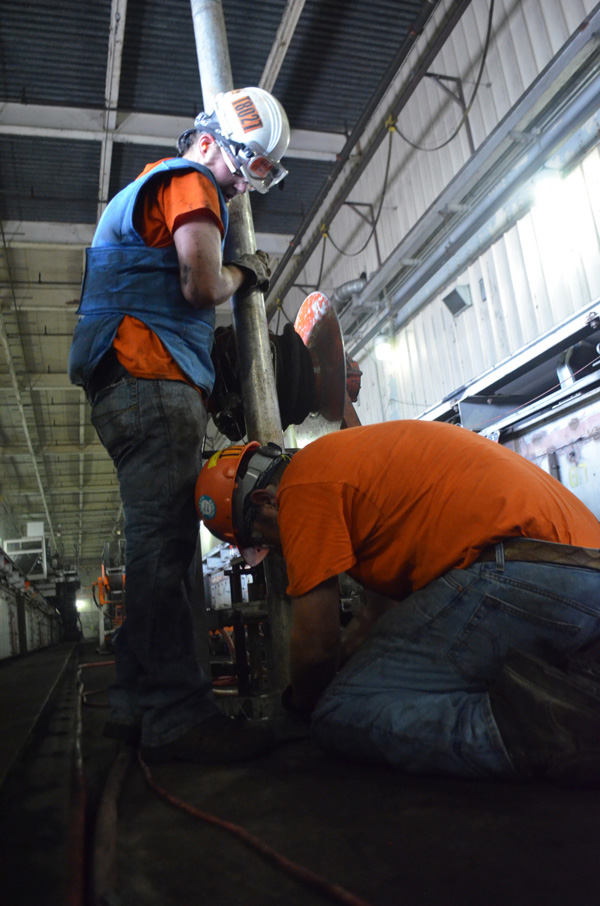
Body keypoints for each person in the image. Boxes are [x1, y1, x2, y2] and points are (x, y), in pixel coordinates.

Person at [68, 87, 290, 763]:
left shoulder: (148, 188)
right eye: (247, 170)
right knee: (168, 558)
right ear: (215, 145)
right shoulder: (192, 183)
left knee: (157, 553)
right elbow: (198, 284)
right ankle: (178, 718)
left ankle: (137, 707)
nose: (244, 189)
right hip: (150, 377)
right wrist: (241, 273)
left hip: (128, 385)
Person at [196, 420, 600, 784]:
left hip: (519, 570)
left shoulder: (300, 487)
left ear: (265, 501)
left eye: (264, 539)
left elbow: (316, 646)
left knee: (343, 710)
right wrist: (345, 666)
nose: (275, 549)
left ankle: (539, 736)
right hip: (581, 575)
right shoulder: (348, 465)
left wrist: (301, 708)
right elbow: (378, 615)